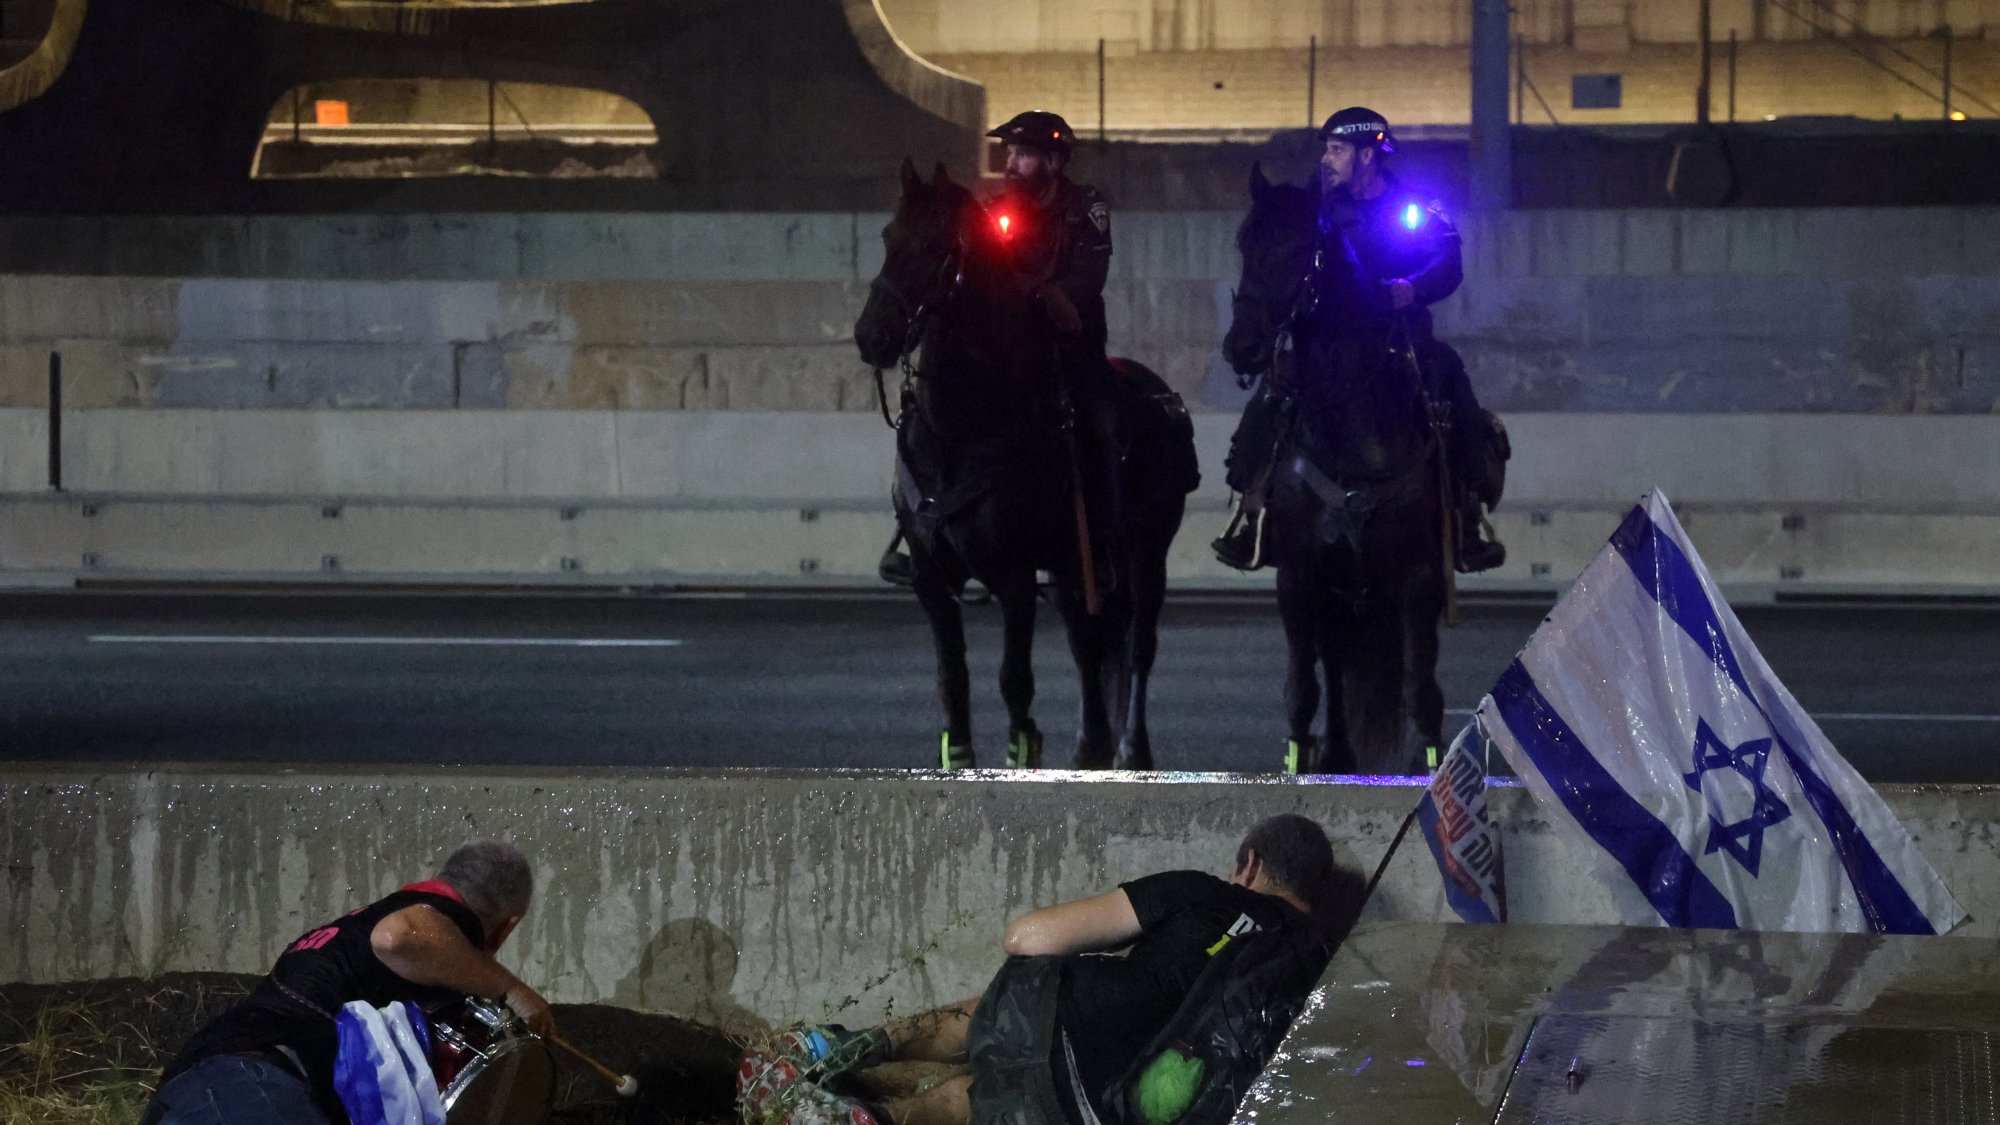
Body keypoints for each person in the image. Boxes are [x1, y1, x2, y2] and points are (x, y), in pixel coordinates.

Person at [736, 814, 1366, 1125]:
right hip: (1114, 1107)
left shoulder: (1209, 893)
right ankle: (882, 1119)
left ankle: (836, 1048)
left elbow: (1027, 938)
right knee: (984, 1104)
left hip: (1066, 1020)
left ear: (1249, 864)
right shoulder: (1320, 966)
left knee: (1026, 988)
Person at [1213, 106, 1507, 574]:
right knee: (1272, 397)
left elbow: (1449, 264)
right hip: (1325, 338)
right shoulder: (1318, 210)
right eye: (1326, 150)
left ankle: (1467, 517)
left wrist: (1414, 288)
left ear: (1367, 155)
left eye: (1337, 150)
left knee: (1450, 383)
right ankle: (1252, 513)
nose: (1327, 160)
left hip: (1398, 335)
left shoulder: (1414, 205)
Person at [880, 109, 1125, 593]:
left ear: (1054, 163)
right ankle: (920, 533)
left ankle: (1107, 544)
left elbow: (1085, 283)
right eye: (1010, 153)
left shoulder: (1086, 208)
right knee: (934, 420)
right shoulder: (992, 212)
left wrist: (1042, 292)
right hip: (1012, 353)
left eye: (1025, 154)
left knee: (1103, 424)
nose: (1011, 164)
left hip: (1069, 349)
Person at [142, 841, 553, 1125]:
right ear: (506, 927)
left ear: (436, 876)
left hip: (197, 1088)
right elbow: (397, 938)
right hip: (257, 1085)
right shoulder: (442, 918)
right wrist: (511, 989)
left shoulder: (354, 928)